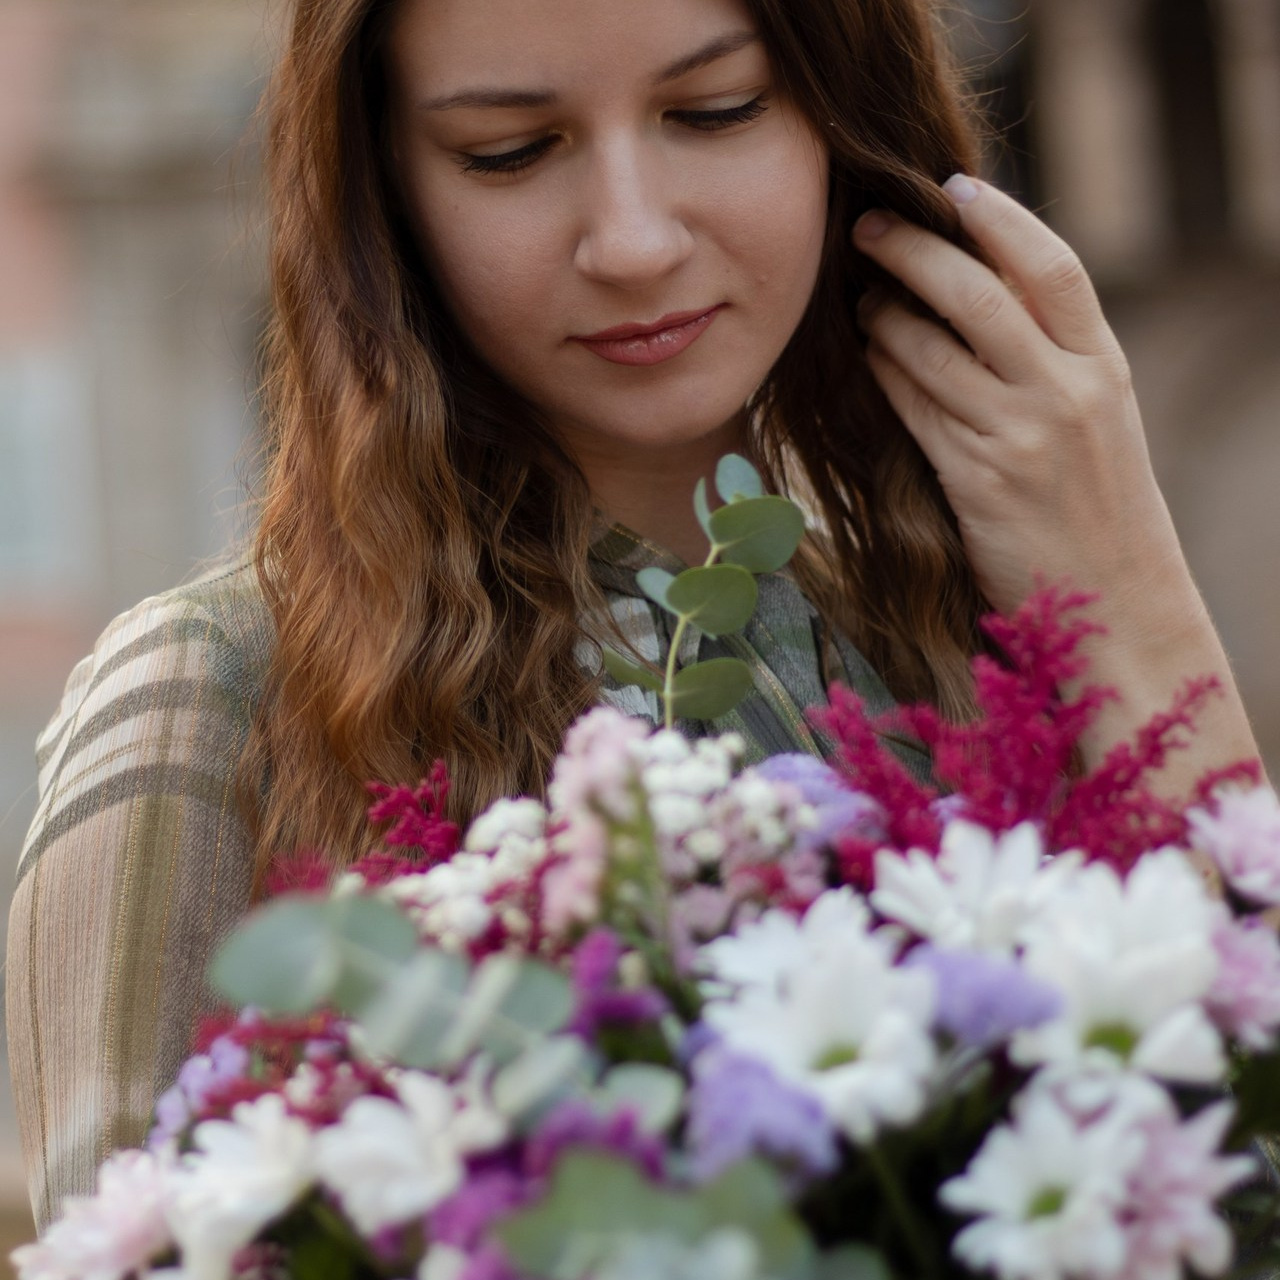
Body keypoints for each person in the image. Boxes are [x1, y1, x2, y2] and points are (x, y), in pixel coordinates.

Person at [6, 0, 1262, 1232]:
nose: (632, 239)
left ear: (837, 117)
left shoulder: (952, 632)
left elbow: (1239, 1155)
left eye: (713, 111)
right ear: (385, 193)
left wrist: (1131, 589)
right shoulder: (208, 693)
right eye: (508, 151)